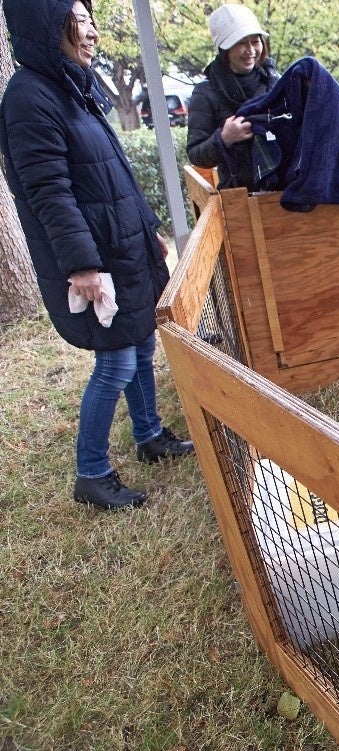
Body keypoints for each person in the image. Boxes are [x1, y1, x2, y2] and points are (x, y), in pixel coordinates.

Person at [0, 0, 194, 510]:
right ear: (48, 28)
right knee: (116, 362)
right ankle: (91, 473)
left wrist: (148, 229)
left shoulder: (73, 87)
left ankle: (150, 436)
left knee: (142, 344)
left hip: (123, 245)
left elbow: (114, 177)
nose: (91, 33)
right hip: (96, 256)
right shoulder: (28, 98)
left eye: (91, 22)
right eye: (78, 22)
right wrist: (82, 266)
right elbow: (49, 192)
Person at [187, 3, 279, 189]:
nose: (251, 50)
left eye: (255, 41)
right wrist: (224, 138)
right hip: (238, 200)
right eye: (241, 43)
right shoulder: (206, 92)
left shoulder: (274, 82)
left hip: (282, 193)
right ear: (224, 49)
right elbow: (195, 154)